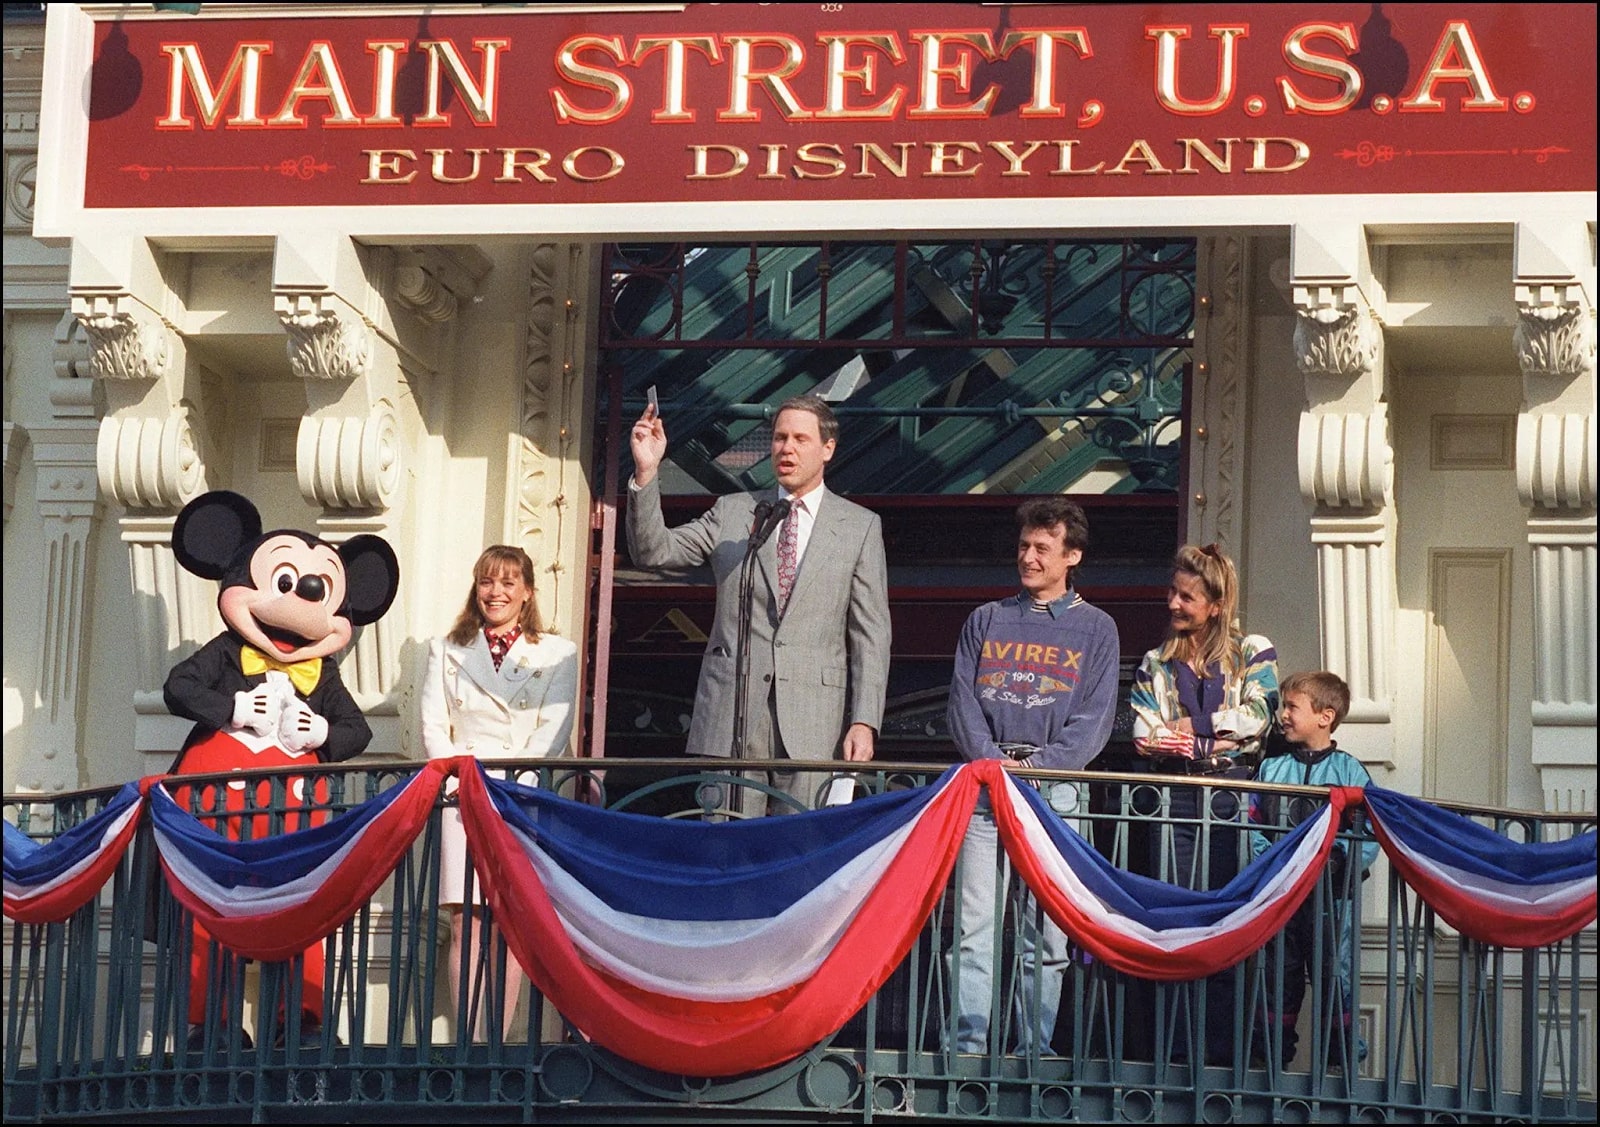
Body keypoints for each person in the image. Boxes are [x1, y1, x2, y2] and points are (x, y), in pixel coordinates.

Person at [626, 394, 891, 816]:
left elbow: (871, 636)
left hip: (813, 721)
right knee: (724, 850)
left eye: (800, 439)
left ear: (827, 448)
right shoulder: (734, 512)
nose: (786, 448)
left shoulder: (859, 526)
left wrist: (864, 720)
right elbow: (654, 553)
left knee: (800, 854)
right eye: (779, 438)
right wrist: (646, 472)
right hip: (730, 714)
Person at [945, 497, 1121, 1056]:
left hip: (1056, 794)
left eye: (1043, 548)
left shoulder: (1098, 629)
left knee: (1046, 936)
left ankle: (1034, 1052)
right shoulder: (986, 619)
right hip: (984, 790)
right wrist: (995, 765)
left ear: (1072, 556)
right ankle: (967, 1048)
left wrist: (1037, 771)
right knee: (974, 930)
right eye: (1024, 545)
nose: (1028, 556)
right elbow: (962, 707)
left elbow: (1093, 724)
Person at [420, 545, 579, 1040]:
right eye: (488, 581)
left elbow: (554, 728)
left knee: (509, 923)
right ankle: (467, 1044)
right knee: (466, 922)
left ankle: (496, 1039)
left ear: (528, 592)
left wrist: (514, 786)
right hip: (460, 798)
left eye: (509, 583)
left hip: (520, 800)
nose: (497, 592)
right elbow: (432, 727)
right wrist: (460, 780)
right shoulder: (446, 648)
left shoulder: (557, 652)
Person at [1129, 542, 1279, 1065]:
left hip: (1232, 802)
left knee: (1225, 922)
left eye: (1186, 596)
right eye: (1172, 592)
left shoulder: (1252, 652)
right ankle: (1173, 1051)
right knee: (1176, 923)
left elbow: (1259, 718)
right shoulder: (1156, 662)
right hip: (1173, 799)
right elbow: (1144, 735)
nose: (1173, 603)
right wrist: (1211, 739)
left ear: (1215, 605)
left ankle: (1221, 1054)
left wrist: (1187, 728)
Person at [1249, 671, 1377, 1070]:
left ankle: (1340, 1074)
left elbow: (1369, 833)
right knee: (1276, 982)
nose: (1282, 714)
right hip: (1281, 899)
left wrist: (1338, 860)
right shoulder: (1271, 770)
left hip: (1332, 901)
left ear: (1325, 716)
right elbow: (1250, 826)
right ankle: (1271, 1069)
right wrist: (1270, 861)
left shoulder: (1350, 771)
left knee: (1335, 981)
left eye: (1291, 707)